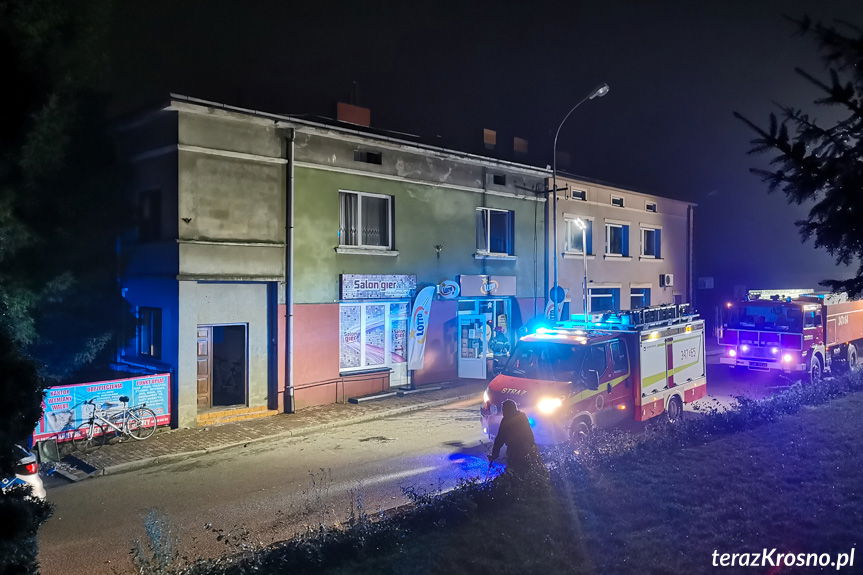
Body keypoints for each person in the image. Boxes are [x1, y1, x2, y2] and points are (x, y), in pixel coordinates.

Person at [489, 399, 539, 476]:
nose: (503, 412)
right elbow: (499, 438)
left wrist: (494, 454)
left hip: (521, 449)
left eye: (505, 410)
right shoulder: (516, 418)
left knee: (517, 470)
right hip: (517, 449)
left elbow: (500, 438)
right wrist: (494, 454)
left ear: (510, 410)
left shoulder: (516, 419)